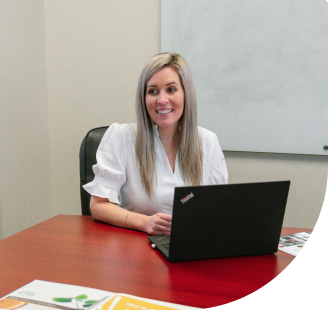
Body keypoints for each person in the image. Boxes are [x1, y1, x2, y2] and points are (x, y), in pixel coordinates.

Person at [83, 52, 228, 235]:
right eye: (153, 91)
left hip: (193, 245)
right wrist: (144, 222)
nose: (162, 100)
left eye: (171, 89)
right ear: (143, 99)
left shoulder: (207, 142)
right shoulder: (122, 137)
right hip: (137, 248)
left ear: (186, 94)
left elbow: (218, 209)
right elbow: (98, 206)